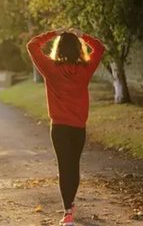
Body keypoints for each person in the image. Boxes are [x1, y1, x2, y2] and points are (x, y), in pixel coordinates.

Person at [26, 27, 105, 226]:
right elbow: (100, 48)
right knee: (73, 166)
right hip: (78, 128)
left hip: (59, 128)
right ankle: (70, 205)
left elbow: (32, 45)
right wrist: (83, 35)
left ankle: (68, 211)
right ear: (78, 49)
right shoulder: (85, 70)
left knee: (64, 167)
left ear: (58, 48)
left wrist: (54, 33)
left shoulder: (50, 69)